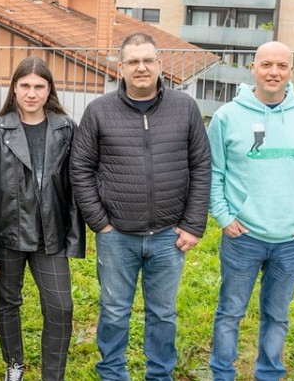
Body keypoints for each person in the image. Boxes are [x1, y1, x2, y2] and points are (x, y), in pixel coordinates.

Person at [70, 32, 211, 381]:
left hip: (168, 234)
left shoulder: (185, 107)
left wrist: (193, 224)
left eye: (148, 60)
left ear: (160, 64)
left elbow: (201, 165)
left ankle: (159, 375)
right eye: (133, 61)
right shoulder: (99, 111)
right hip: (117, 235)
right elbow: (81, 169)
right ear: (121, 68)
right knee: (114, 311)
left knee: (163, 313)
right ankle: (112, 374)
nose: (142, 67)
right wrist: (100, 223)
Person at [207, 41, 294, 380]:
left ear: (291, 71)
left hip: (292, 237)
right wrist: (224, 216)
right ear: (253, 68)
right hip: (243, 235)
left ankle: (269, 373)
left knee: (277, 315)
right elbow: (212, 171)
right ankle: (222, 372)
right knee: (230, 312)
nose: (273, 72)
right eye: (266, 65)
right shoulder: (226, 117)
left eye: (281, 66)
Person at [0, 56, 82, 381]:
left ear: (49, 89)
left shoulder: (66, 128)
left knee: (61, 308)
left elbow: (74, 185)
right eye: (25, 85)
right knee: (7, 302)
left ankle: (52, 374)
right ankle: (15, 364)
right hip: (9, 236)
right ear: (14, 88)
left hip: (49, 237)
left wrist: (73, 237)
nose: (31, 93)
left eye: (39, 86)